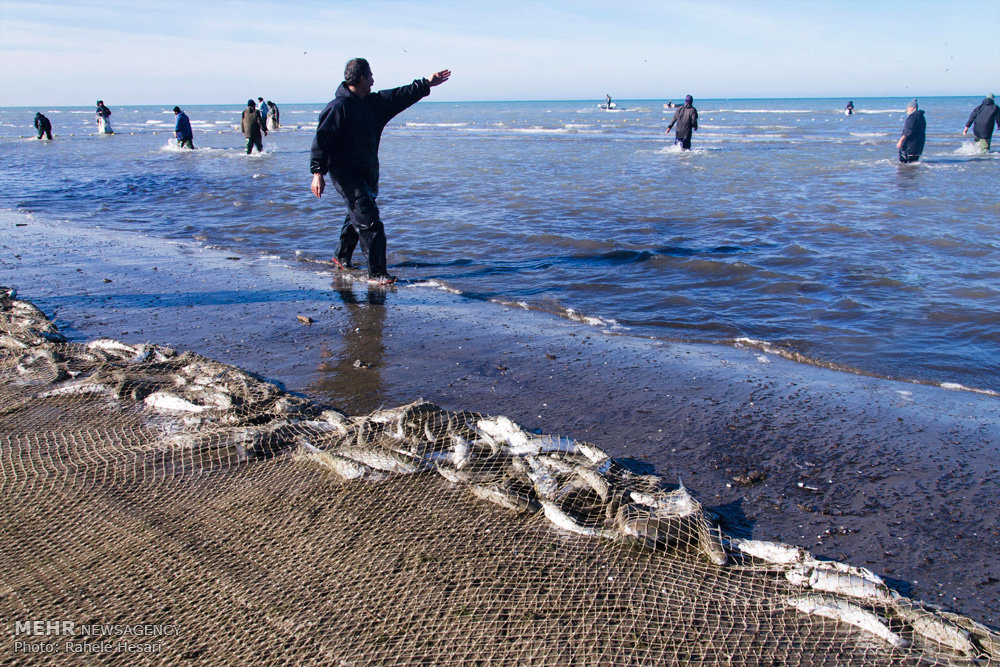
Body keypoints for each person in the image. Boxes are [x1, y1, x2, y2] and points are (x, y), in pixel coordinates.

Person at [310, 58, 451, 285]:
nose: (374, 81)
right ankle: (377, 274)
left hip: (367, 172)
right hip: (346, 175)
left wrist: (427, 83)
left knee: (357, 215)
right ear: (361, 78)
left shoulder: (372, 104)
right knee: (370, 223)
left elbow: (399, 96)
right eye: (371, 76)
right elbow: (322, 141)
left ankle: (341, 256)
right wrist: (318, 173)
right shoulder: (337, 108)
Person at [896, 99, 926, 163]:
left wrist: (900, 141)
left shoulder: (913, 116)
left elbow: (909, 130)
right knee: (913, 165)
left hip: (909, 147)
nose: (907, 109)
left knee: (904, 166)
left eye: (908, 108)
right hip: (918, 147)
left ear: (913, 108)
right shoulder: (921, 117)